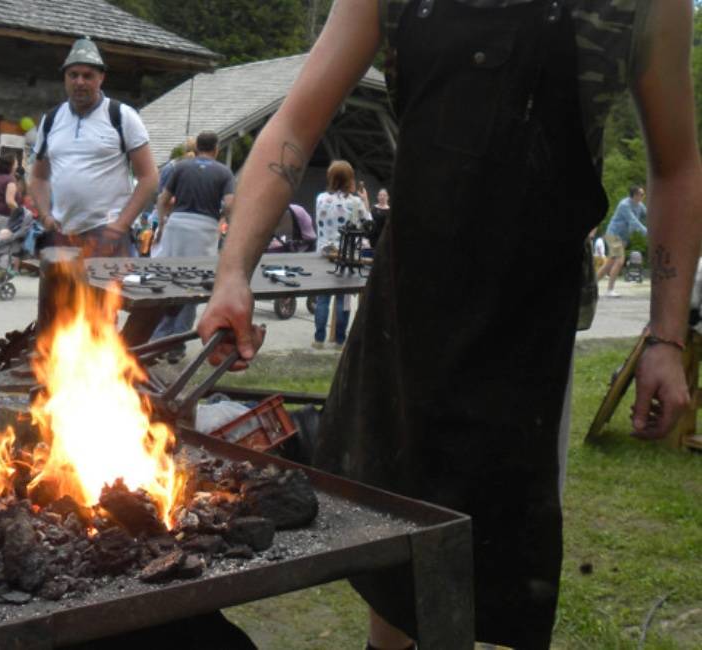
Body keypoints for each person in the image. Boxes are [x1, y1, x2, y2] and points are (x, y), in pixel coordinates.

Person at [197, 2, 701, 648]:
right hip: (406, 322)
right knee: (397, 585)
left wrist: (666, 336)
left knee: (505, 581)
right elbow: (295, 123)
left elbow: (678, 164)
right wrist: (234, 270)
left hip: (531, 337)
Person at [30, 37, 158, 258]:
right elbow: (39, 177)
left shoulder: (121, 116)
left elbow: (149, 177)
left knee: (110, 293)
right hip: (63, 233)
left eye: (88, 75)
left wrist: (122, 224)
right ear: (65, 78)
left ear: (101, 78)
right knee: (61, 294)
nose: (80, 81)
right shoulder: (51, 120)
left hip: (107, 234)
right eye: (73, 75)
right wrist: (45, 216)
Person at [151, 131, 235, 362]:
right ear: (216, 149)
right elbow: (229, 205)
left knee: (170, 280)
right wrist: (226, 222)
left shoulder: (180, 167)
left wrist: (162, 223)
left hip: (177, 226)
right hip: (204, 229)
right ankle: (176, 344)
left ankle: (157, 339)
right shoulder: (224, 172)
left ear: (196, 147)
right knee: (192, 285)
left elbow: (162, 199)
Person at [312, 160, 370, 349]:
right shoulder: (355, 202)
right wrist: (365, 200)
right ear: (349, 179)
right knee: (342, 299)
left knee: (323, 298)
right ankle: (339, 340)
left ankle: (319, 339)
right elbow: (368, 223)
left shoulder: (320, 199)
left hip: (324, 253)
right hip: (346, 256)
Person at [597, 185, 648, 297]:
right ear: (635, 195)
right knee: (620, 261)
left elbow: (648, 214)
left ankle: (591, 286)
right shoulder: (624, 205)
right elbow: (633, 221)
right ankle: (610, 290)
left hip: (623, 237)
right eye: (642, 194)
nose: (643, 196)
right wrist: (647, 232)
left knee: (609, 264)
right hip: (614, 234)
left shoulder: (639, 205)